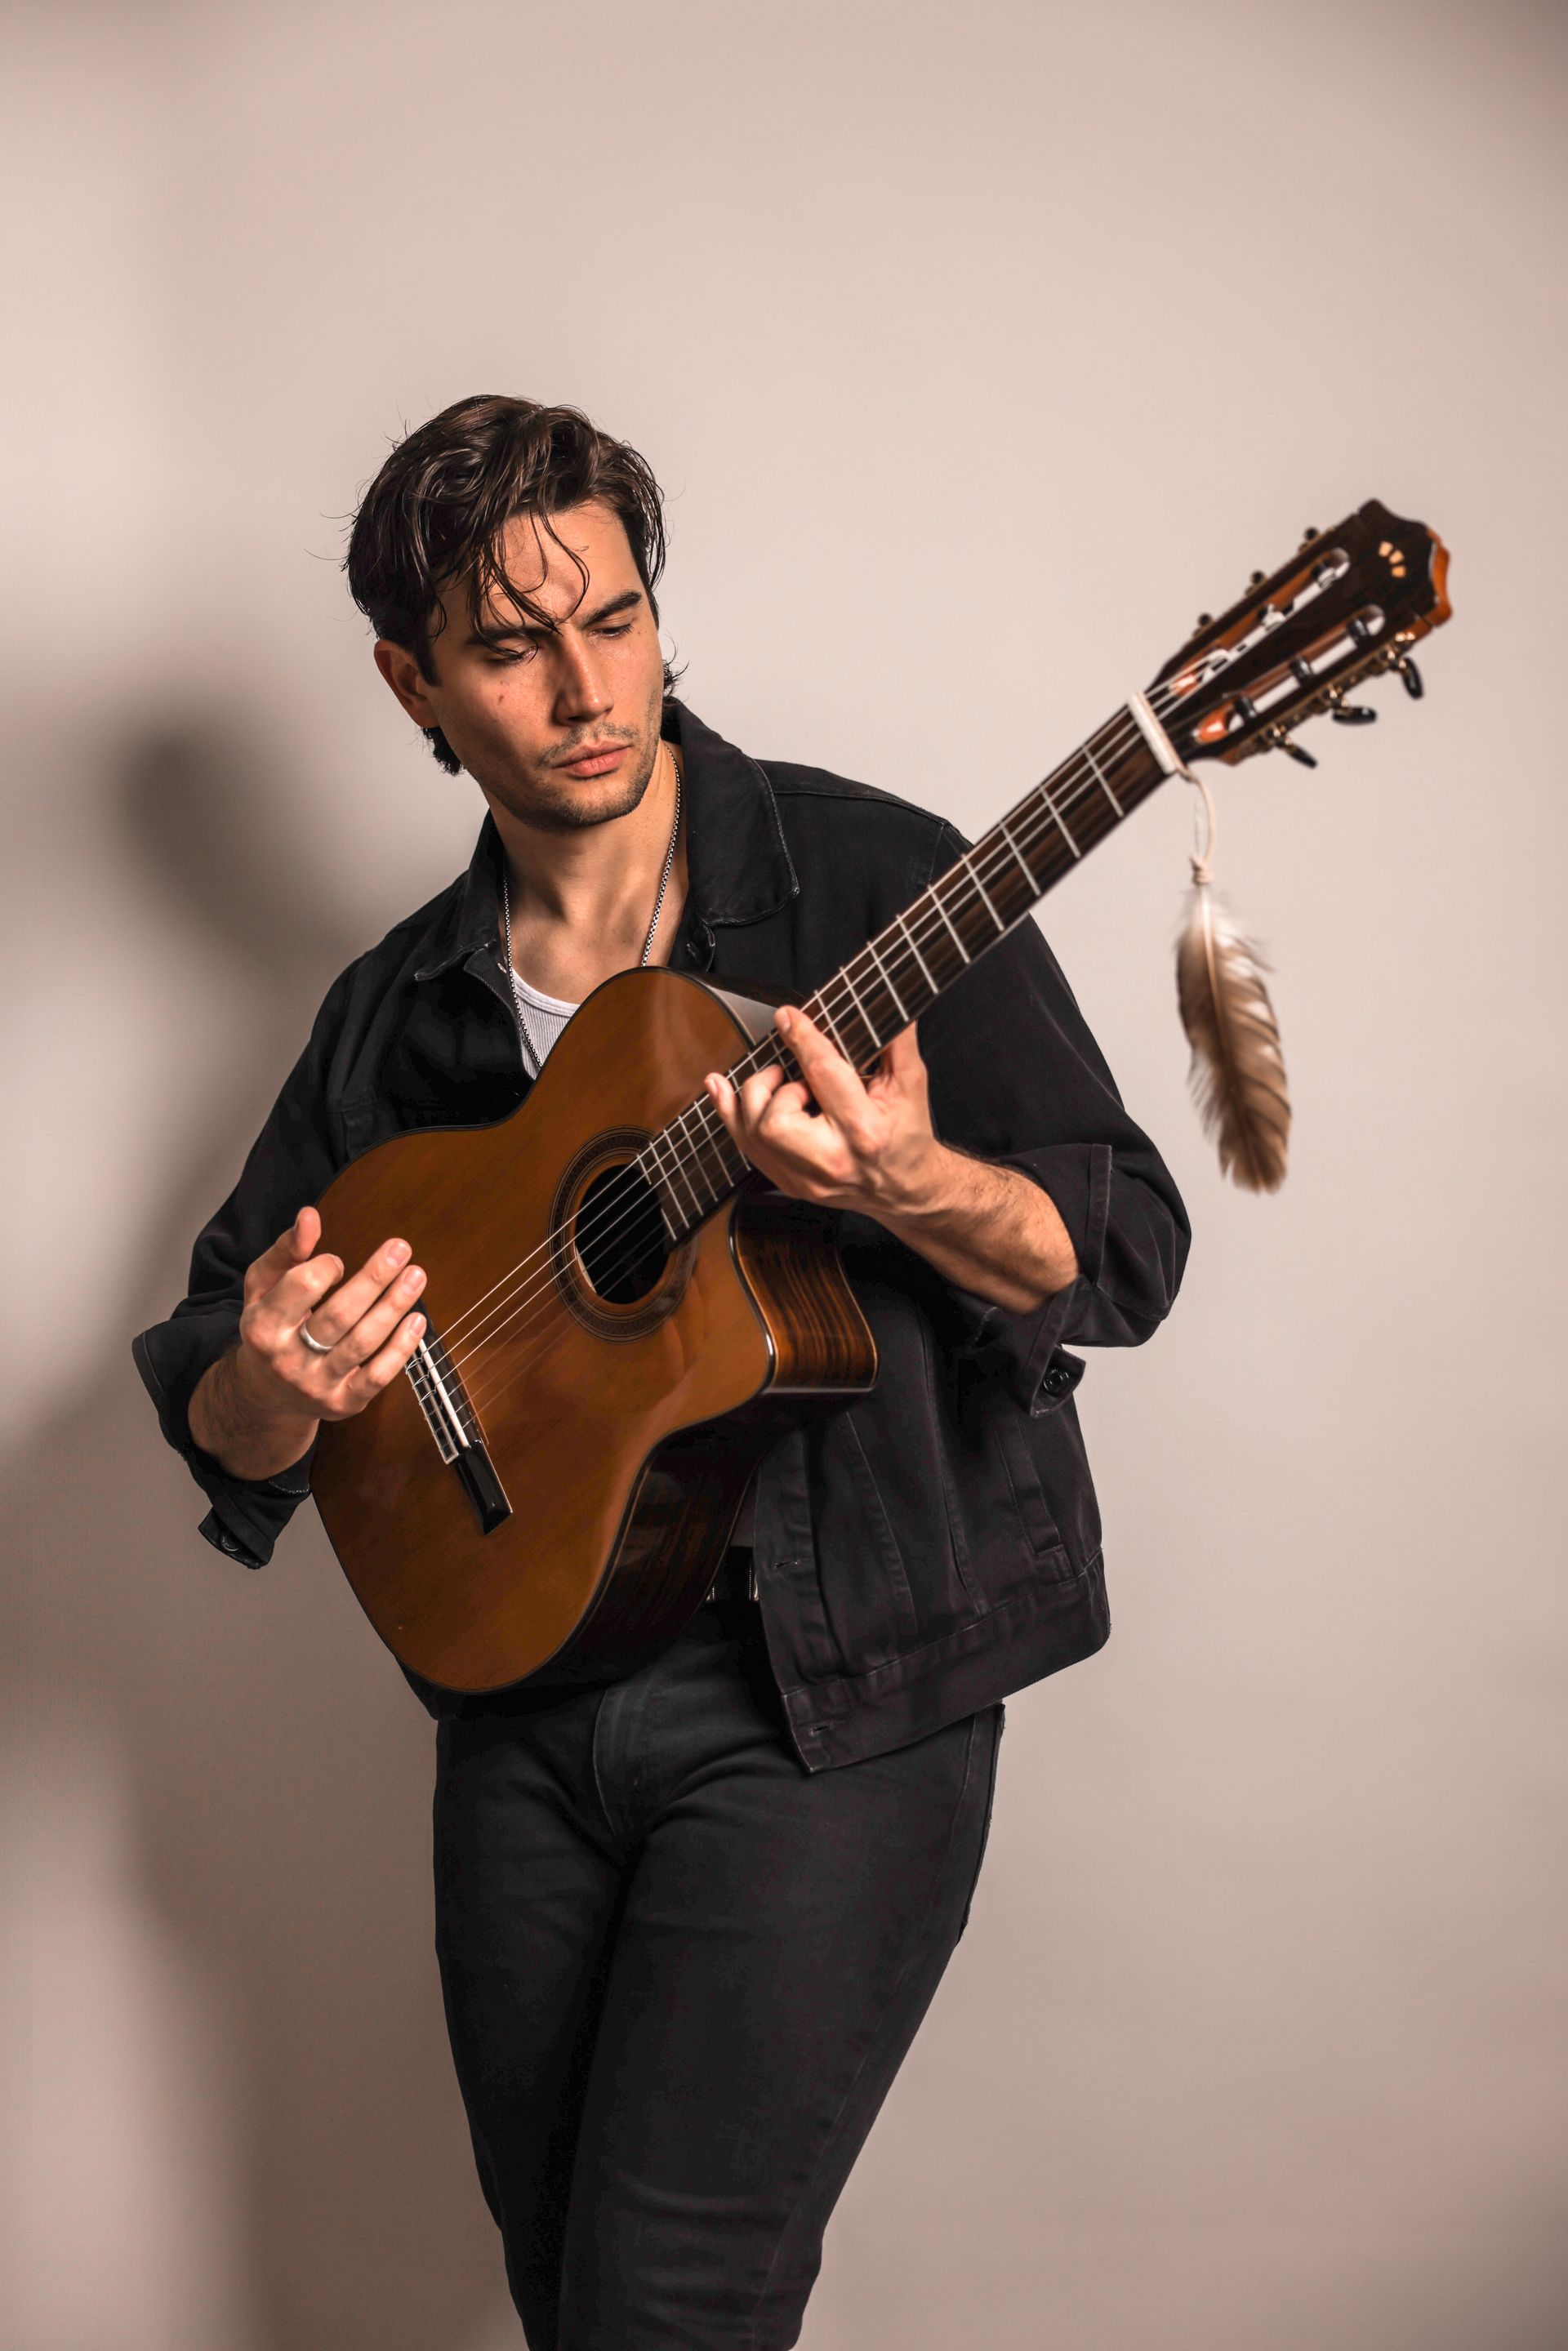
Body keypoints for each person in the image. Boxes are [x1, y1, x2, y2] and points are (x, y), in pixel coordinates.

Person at [133, 395, 1189, 2349]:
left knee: (666, 2305)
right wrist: (275, 1388)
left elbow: (1120, 1248)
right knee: (571, 2305)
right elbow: (214, 1353)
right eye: (511, 649)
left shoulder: (878, 884)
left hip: (828, 1705)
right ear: (412, 681)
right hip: (520, 1717)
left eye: (613, 619)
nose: (585, 690)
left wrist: (913, 1178)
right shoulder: (400, 1011)